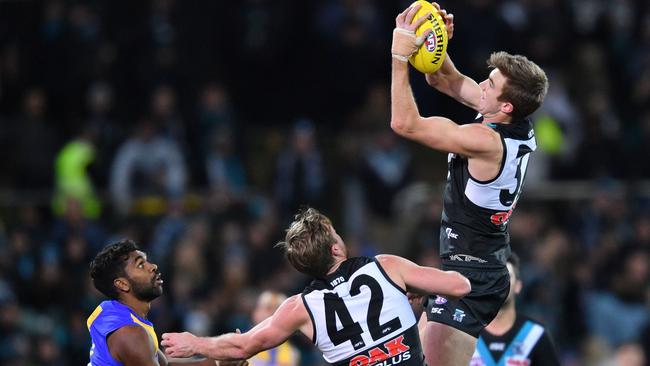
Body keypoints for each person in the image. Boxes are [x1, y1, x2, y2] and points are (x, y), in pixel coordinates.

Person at [389, 2, 549, 365]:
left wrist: (400, 55)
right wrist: (436, 42)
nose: (482, 86)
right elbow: (441, 78)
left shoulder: (486, 141)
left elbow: (405, 124)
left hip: (473, 276)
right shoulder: (509, 118)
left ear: (505, 105)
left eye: (490, 84)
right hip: (473, 264)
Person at [161, 207, 472, 365]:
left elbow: (242, 346)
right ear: (335, 249)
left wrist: (196, 343)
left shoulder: (299, 308)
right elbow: (459, 285)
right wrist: (422, 292)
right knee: (443, 310)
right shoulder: (386, 266)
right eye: (336, 233)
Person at [87, 239, 243, 366]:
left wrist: (218, 361)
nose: (153, 267)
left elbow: (164, 364)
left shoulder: (116, 312)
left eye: (146, 261)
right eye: (140, 265)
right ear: (122, 284)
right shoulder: (130, 334)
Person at [470, 252, 560, 365]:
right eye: (495, 276)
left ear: (518, 286)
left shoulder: (535, 334)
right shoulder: (466, 334)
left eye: (506, 276)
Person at [247, 291, 299, 366]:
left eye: (278, 310)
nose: (272, 314)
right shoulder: (241, 346)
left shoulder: (292, 354)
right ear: (255, 312)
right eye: (268, 308)